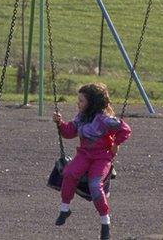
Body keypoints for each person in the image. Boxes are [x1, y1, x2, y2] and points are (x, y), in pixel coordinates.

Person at [51, 82, 131, 240]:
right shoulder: (80, 118)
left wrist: (116, 144)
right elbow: (69, 132)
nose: (78, 104)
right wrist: (60, 123)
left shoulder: (106, 121)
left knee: (95, 184)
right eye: (78, 100)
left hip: (102, 157)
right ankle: (65, 208)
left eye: (81, 101)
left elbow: (125, 129)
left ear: (92, 103)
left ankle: (105, 222)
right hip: (84, 154)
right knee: (69, 173)